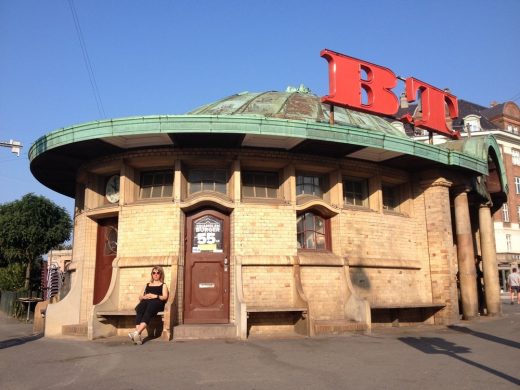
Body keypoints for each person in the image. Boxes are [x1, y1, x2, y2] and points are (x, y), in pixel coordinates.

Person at [129, 266, 169, 345]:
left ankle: (137, 333)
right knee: (140, 308)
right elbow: (140, 297)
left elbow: (165, 297)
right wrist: (145, 296)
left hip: (157, 302)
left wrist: (155, 296)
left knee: (150, 308)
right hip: (146, 301)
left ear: (161, 274)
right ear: (152, 274)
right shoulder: (147, 284)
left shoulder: (163, 285)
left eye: (158, 273)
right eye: (154, 273)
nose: (156, 274)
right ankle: (138, 336)